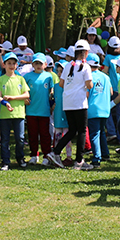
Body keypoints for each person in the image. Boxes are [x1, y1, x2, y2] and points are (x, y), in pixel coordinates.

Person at [48, 41, 93, 170]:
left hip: (68, 103)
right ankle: (79, 160)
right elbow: (89, 85)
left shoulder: (68, 65)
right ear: (85, 52)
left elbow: (61, 84)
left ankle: (55, 152)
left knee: (72, 130)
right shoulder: (86, 66)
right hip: (79, 103)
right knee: (82, 131)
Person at [0, 53, 29, 170]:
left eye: (14, 63)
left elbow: (26, 95)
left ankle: (20, 158)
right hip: (5, 115)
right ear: (4, 65)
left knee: (20, 138)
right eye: (9, 63)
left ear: (16, 65)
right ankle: (5, 161)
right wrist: (5, 103)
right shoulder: (0, 79)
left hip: (19, 113)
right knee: (5, 139)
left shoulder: (20, 79)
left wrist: (12, 98)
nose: (11, 65)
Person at [24, 53, 54, 165]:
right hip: (31, 110)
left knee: (45, 134)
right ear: (32, 64)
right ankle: (33, 155)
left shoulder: (48, 76)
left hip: (44, 111)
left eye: (40, 63)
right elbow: (23, 90)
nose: (38, 66)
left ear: (45, 64)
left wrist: (52, 98)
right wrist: (24, 99)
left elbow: (52, 90)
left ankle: (46, 155)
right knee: (32, 134)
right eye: (36, 63)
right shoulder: (27, 76)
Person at [86, 53, 114, 169]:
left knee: (94, 134)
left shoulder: (88, 77)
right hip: (105, 109)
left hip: (93, 109)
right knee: (101, 131)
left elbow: (87, 94)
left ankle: (96, 159)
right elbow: (111, 92)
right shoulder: (105, 77)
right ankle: (105, 153)